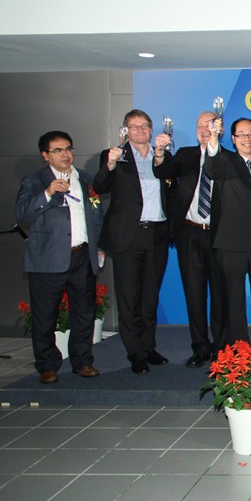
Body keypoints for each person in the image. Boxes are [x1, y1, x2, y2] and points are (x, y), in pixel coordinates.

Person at [15, 131, 105, 383]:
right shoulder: (34, 181)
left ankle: (83, 361)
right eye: (57, 150)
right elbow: (22, 213)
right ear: (45, 155)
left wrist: (97, 246)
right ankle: (47, 365)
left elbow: (97, 215)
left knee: (84, 313)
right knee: (45, 315)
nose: (65, 154)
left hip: (81, 256)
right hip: (48, 259)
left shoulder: (85, 180)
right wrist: (47, 193)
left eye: (68, 148)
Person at [94, 109, 172, 374]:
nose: (140, 130)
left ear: (151, 129)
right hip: (128, 236)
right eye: (134, 126)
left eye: (144, 126)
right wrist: (110, 165)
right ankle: (135, 352)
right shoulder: (114, 155)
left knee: (150, 297)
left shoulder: (162, 156)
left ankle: (149, 347)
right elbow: (100, 186)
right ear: (125, 130)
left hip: (157, 234)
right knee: (130, 298)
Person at [153, 111, 225, 366]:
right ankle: (200, 348)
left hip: (219, 236)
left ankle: (221, 347)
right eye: (200, 126)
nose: (204, 130)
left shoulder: (229, 158)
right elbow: (163, 170)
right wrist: (160, 152)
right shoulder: (184, 155)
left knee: (220, 295)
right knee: (194, 293)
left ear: (220, 129)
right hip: (189, 234)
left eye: (210, 125)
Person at [204, 117, 251, 343]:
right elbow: (212, 166)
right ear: (234, 139)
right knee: (234, 300)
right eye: (242, 134)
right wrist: (214, 137)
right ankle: (238, 351)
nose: (248, 139)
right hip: (231, 243)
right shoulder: (226, 163)